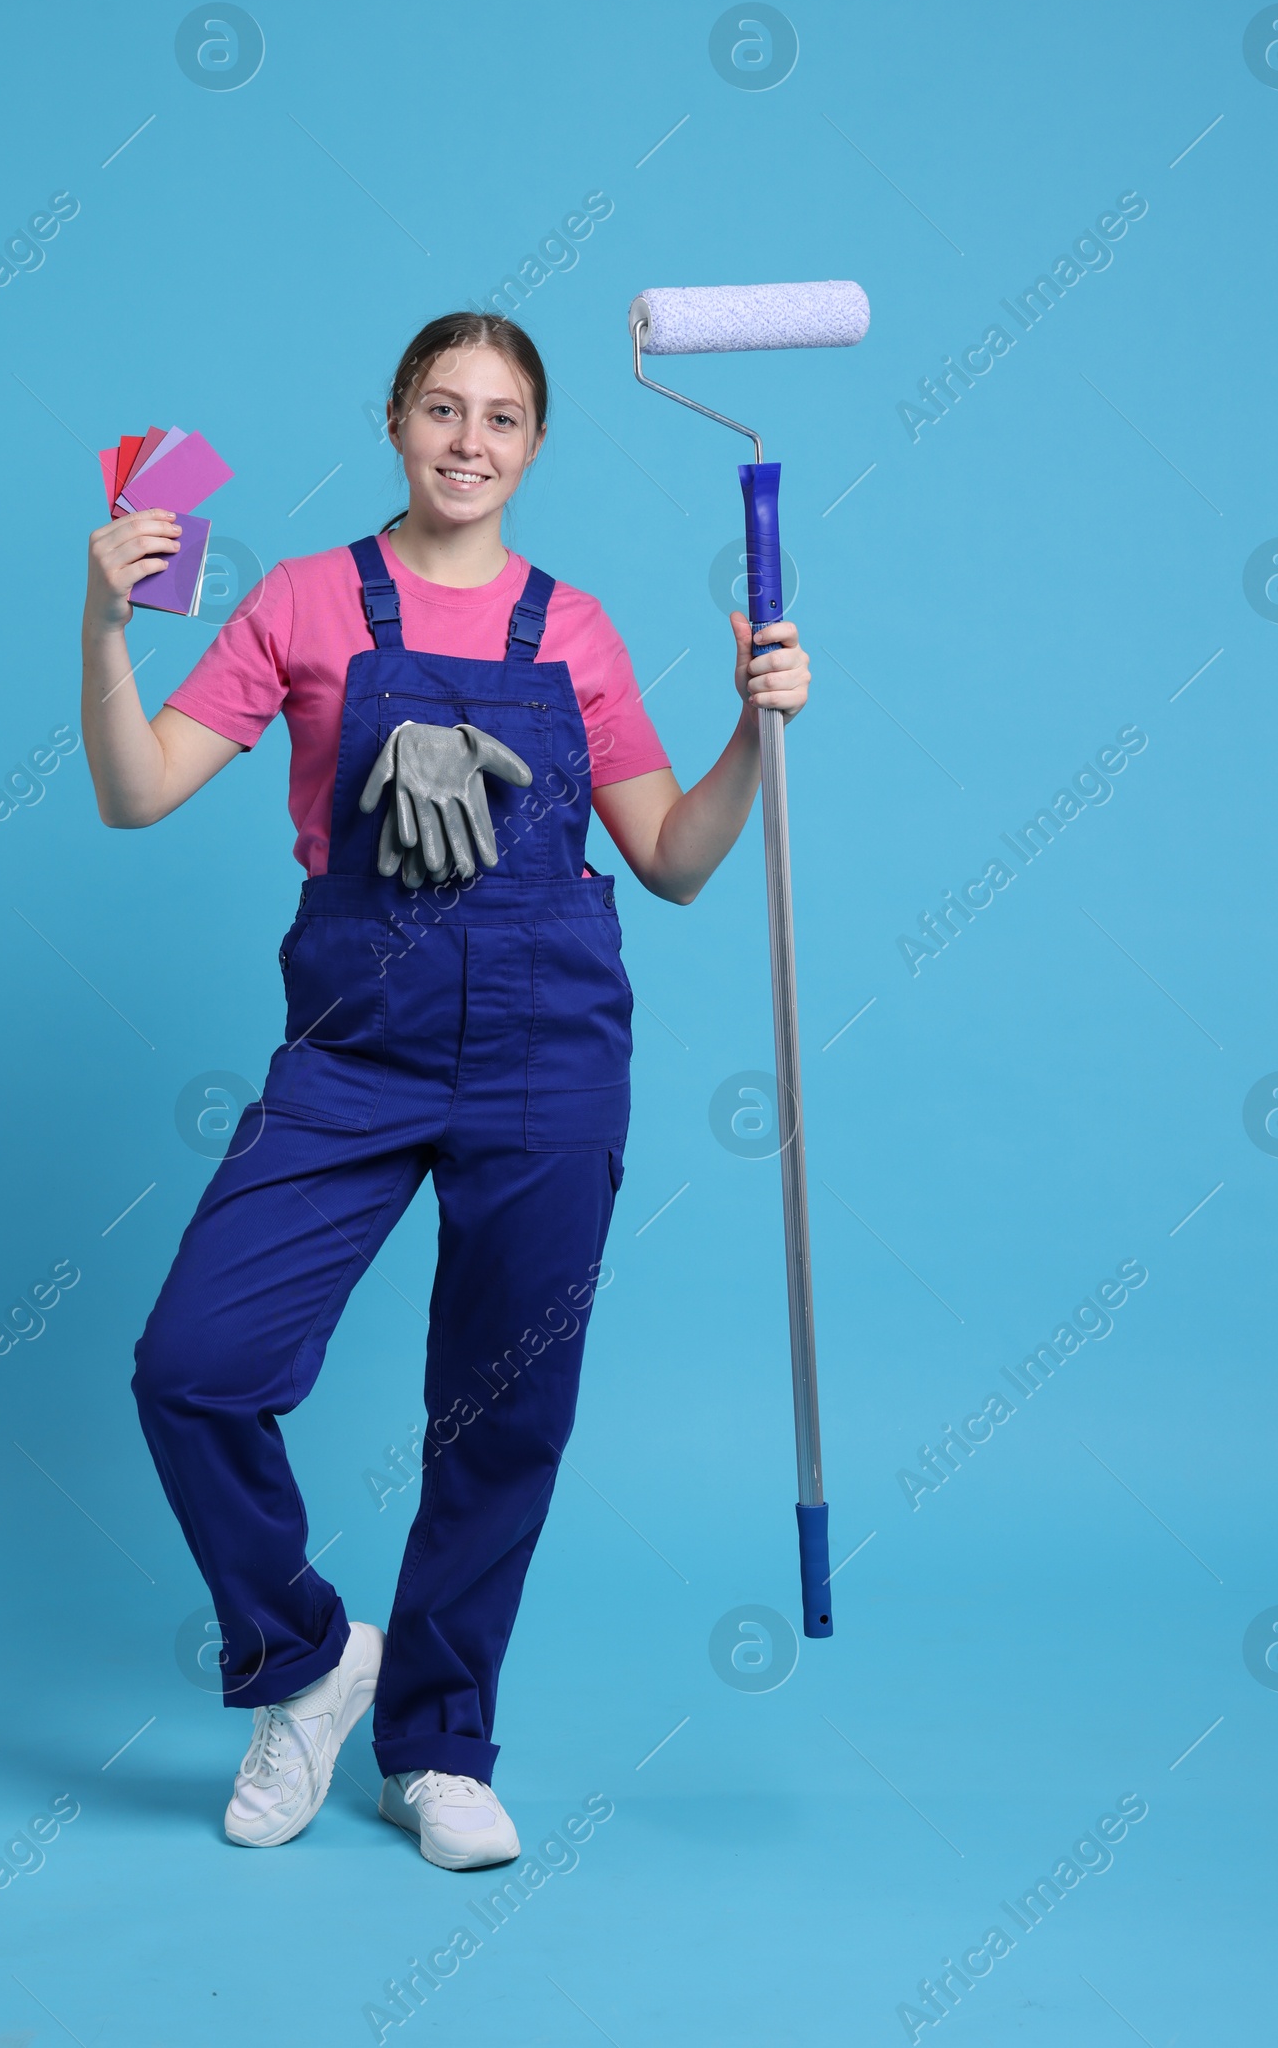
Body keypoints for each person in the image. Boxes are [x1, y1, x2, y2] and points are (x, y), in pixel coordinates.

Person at [79, 312, 810, 1870]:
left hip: (549, 1055)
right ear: (393, 421)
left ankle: (440, 1744)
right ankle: (307, 1659)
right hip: (354, 1048)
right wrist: (102, 628)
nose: (468, 441)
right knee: (192, 1365)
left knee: (500, 1413)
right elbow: (136, 794)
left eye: (501, 417)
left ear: (536, 444)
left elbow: (673, 859)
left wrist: (757, 728)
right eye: (440, 409)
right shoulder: (299, 601)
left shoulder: (581, 633)